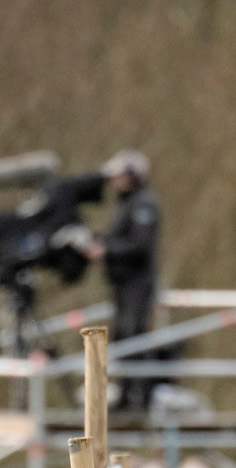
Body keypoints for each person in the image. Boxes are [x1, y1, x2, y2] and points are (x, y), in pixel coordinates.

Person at [87, 149, 159, 410]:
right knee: (123, 338)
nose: (114, 181)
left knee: (134, 338)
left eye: (119, 175)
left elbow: (140, 245)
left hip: (137, 287)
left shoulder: (143, 205)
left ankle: (140, 398)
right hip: (123, 286)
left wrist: (106, 250)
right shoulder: (127, 204)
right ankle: (127, 397)